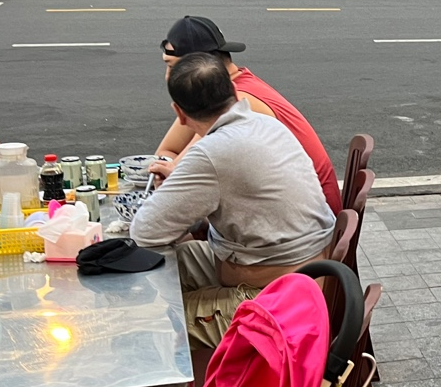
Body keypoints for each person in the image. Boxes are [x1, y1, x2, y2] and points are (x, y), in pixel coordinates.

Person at [132, 53, 336, 348]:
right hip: (307, 272)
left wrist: (178, 193)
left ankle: (185, 372)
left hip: (278, 301)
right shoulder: (267, 125)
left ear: (180, 114)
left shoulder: (212, 152)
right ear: (234, 90)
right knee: (177, 259)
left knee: (153, 319)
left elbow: (145, 232)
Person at [154, 16, 341, 214]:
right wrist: (169, 169)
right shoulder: (229, 87)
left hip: (312, 217)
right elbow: (167, 152)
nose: (168, 77)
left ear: (199, 67)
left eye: (172, 67)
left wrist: (169, 172)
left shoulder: (235, 102)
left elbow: (181, 174)